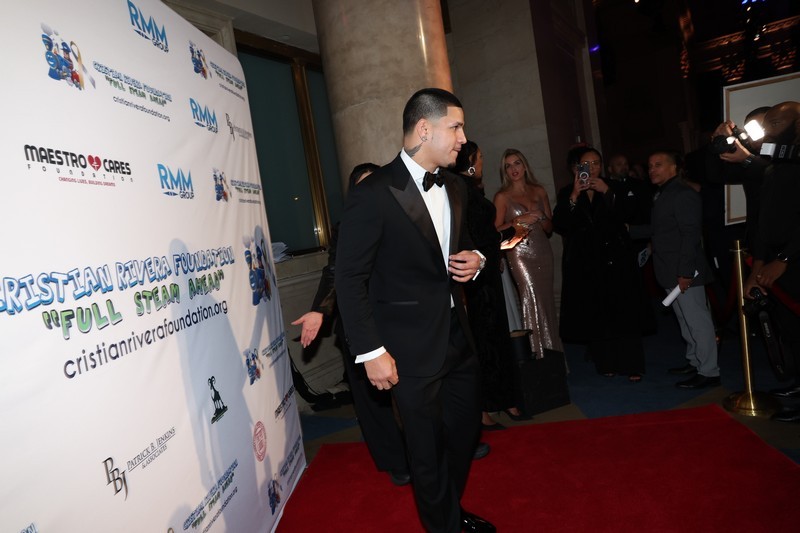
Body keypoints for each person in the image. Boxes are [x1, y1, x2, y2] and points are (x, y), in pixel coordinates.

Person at [334, 88, 495, 533]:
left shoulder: (456, 186)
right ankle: (445, 525)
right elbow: (349, 279)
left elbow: (461, 245)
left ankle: (448, 511)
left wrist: (478, 259)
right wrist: (370, 351)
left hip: (457, 336)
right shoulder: (373, 193)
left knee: (465, 434)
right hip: (405, 348)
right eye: (455, 127)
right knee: (424, 451)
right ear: (424, 129)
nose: (463, 138)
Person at [291, 162, 413, 486]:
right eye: (362, 185)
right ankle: (394, 459)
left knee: (412, 390)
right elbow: (335, 271)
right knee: (372, 399)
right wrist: (320, 310)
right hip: (360, 322)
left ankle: (428, 448)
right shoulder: (346, 227)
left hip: (400, 318)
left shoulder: (406, 217)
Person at [552, 146, 648, 382]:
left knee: (624, 310)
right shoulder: (568, 191)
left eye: (596, 163)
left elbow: (630, 213)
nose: (593, 168)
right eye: (587, 164)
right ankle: (606, 362)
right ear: (577, 168)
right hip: (586, 262)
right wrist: (575, 195)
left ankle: (632, 364)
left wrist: (607, 191)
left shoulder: (614, 186)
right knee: (596, 312)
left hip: (617, 259)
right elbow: (561, 223)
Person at [454, 141, 529, 429]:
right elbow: (477, 237)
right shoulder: (463, 190)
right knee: (486, 341)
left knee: (495, 337)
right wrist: (512, 230)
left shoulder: (470, 189)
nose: (483, 161)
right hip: (477, 279)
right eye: (481, 156)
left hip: (485, 273)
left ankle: (502, 399)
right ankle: (485, 407)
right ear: (472, 161)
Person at [631, 150, 721, 389]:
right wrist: (628, 230)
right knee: (685, 320)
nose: (652, 170)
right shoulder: (665, 193)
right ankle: (695, 361)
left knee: (697, 322)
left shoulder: (682, 194)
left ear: (674, 168)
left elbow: (691, 234)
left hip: (684, 271)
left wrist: (685, 272)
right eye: (650, 166)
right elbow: (661, 229)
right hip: (671, 269)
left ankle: (709, 371)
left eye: (658, 165)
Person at [741, 101, 800, 422]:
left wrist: (785, 259)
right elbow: (763, 222)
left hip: (793, 259)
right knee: (790, 330)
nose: (769, 131)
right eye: (768, 125)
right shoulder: (773, 166)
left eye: (776, 124)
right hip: (775, 260)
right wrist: (759, 264)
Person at [493, 148, 563, 359]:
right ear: (504, 171)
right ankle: (537, 357)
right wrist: (517, 221)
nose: (513, 169)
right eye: (508, 166)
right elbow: (495, 232)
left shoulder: (539, 191)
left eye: (517, 163)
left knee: (547, 301)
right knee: (529, 298)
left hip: (542, 250)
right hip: (519, 254)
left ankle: (553, 356)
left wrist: (541, 216)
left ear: (524, 166)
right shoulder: (502, 197)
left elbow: (549, 228)